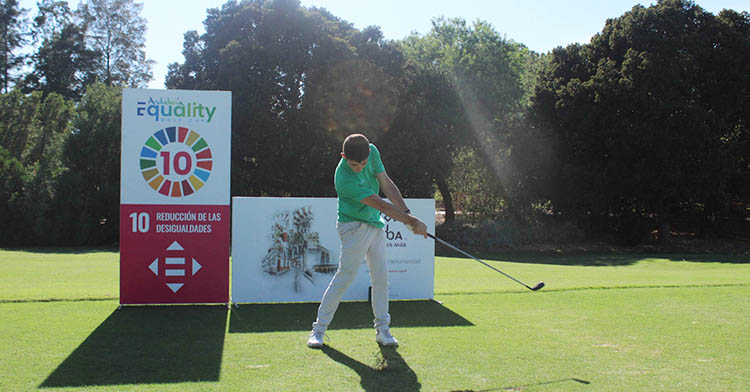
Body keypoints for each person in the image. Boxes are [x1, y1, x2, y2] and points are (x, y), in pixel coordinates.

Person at [307, 133, 428, 348]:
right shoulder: (343, 178)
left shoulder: (372, 152)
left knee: (381, 278)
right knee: (345, 277)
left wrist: (407, 212)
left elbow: (386, 183)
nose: (360, 168)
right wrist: (410, 221)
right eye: (355, 164)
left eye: (363, 163)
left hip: (375, 224)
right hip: (352, 226)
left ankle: (383, 330)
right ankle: (318, 330)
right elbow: (379, 203)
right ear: (344, 156)